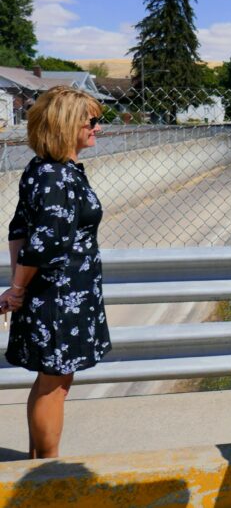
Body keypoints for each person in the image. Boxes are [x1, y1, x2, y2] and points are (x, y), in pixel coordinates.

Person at [2, 86, 110, 459]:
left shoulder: (44, 170)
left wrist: (18, 284)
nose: (98, 128)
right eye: (92, 121)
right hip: (58, 299)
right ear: (67, 126)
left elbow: (18, 229)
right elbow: (43, 242)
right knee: (53, 384)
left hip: (60, 296)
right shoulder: (57, 178)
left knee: (53, 381)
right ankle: (47, 473)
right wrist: (17, 287)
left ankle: (36, 466)